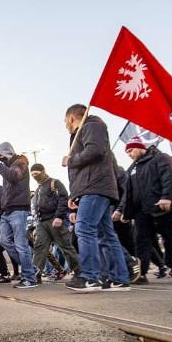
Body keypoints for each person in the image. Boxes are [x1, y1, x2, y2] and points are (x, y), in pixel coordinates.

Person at [114, 137, 172, 284]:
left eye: (131, 150)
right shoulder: (132, 168)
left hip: (161, 208)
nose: (129, 154)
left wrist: (166, 197)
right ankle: (142, 274)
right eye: (127, 152)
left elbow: (168, 178)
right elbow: (128, 192)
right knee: (141, 243)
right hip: (142, 212)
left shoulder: (161, 158)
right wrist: (122, 210)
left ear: (140, 147)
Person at [61, 104, 130, 291]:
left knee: (84, 229)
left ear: (71, 118)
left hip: (95, 187)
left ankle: (90, 276)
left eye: (65, 122)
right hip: (92, 188)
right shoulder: (86, 130)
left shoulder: (91, 125)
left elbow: (95, 150)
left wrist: (71, 160)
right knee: (106, 234)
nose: (65, 126)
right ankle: (119, 278)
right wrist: (74, 195)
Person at [0, 142, 38, 289]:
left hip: (18, 210)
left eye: (1, 155)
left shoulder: (20, 163)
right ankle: (30, 269)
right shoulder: (8, 167)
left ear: (7, 153)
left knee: (20, 244)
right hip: (7, 211)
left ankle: (29, 278)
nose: (0, 158)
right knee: (4, 241)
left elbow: (13, 177)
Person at [29, 163, 80, 280]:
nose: (35, 176)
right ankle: (35, 274)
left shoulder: (54, 183)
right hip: (42, 222)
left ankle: (78, 271)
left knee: (65, 246)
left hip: (54, 219)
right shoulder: (38, 189)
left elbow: (63, 198)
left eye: (36, 173)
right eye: (32, 175)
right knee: (39, 248)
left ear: (43, 171)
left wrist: (59, 216)